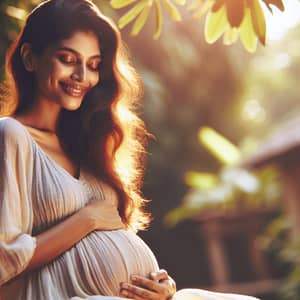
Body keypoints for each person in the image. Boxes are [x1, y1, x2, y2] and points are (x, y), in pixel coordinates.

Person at [0, 1, 259, 299]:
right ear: (30, 58)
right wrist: (87, 220)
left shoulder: (87, 144)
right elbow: (5, 260)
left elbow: (114, 237)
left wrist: (161, 285)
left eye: (94, 64)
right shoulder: (12, 136)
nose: (82, 75)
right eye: (67, 58)